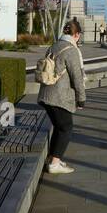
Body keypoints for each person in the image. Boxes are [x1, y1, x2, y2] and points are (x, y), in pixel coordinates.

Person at [39, 18, 87, 175]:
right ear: (77, 34)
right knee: (66, 128)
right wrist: (81, 99)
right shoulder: (71, 50)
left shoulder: (54, 46)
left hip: (46, 95)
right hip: (59, 97)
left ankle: (53, 159)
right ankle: (54, 164)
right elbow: (77, 77)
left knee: (60, 128)